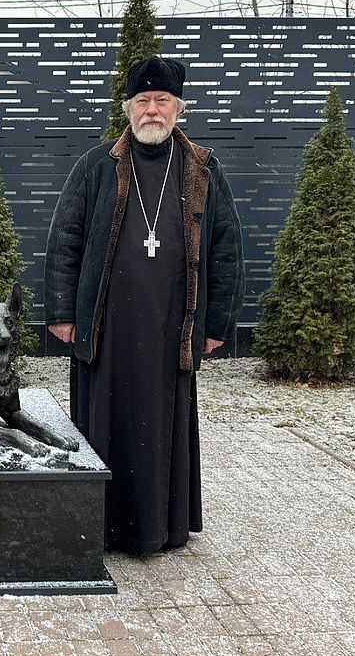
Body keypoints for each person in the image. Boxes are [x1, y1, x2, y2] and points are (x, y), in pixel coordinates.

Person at [44, 56, 244, 555]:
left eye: (161, 101)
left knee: (161, 428)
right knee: (103, 419)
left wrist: (216, 325)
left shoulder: (202, 167)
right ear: (128, 108)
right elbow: (65, 239)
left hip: (172, 326)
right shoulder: (97, 164)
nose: (151, 111)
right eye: (142, 101)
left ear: (178, 107)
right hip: (107, 326)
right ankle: (102, 524)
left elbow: (226, 247)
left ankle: (160, 528)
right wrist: (63, 313)